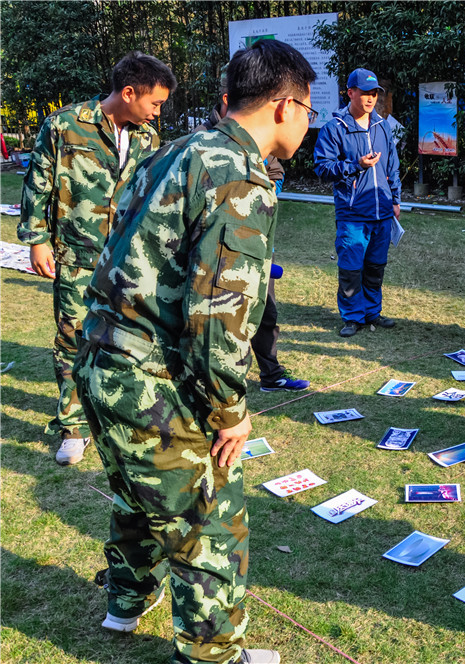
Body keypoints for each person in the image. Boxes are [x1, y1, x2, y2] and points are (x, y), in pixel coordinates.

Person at [73, 39, 316, 664]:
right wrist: (231, 410)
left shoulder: (179, 149)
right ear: (287, 105)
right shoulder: (237, 175)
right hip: (152, 377)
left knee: (138, 495)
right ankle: (212, 654)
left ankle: (125, 602)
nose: (310, 122)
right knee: (208, 521)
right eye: (310, 108)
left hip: (102, 360)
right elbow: (220, 321)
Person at [17, 51, 176, 465]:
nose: (157, 114)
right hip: (77, 256)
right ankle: (72, 426)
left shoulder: (147, 139)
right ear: (128, 93)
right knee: (73, 338)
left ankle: (117, 412)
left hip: (128, 260)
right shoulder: (65, 125)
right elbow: (39, 183)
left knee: (128, 339)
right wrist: (37, 240)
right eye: (155, 103)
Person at [195, 73, 310, 392]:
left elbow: (275, 170)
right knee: (218, 322)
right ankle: (215, 386)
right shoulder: (201, 140)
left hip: (255, 245)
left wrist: (267, 189)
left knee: (264, 310)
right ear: (228, 100)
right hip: (214, 254)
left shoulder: (256, 138)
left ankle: (271, 374)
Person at [314, 68, 402, 338]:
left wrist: (396, 199)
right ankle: (352, 317)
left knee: (376, 267)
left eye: (374, 93)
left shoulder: (382, 125)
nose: (370, 98)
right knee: (351, 269)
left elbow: (392, 166)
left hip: (383, 212)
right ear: (350, 93)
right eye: (365, 93)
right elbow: (322, 167)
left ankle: (372, 312)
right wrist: (356, 165)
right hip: (352, 214)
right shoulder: (334, 129)